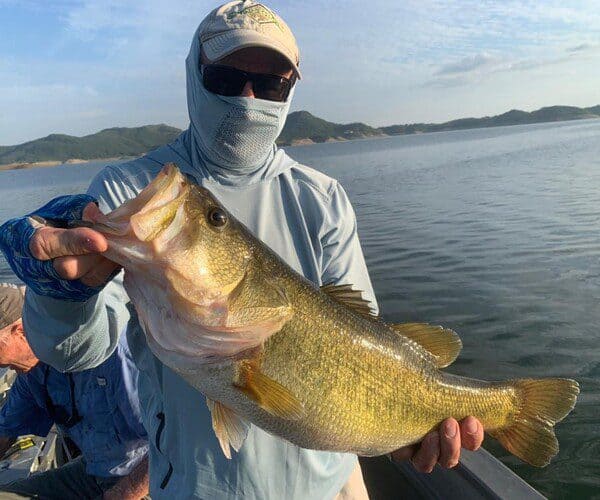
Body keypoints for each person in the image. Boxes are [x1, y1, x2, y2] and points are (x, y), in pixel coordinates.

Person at [0, 1, 484, 498]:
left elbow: (365, 340)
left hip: (330, 486)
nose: (248, 98)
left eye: (271, 84)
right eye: (227, 78)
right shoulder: (133, 189)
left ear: (290, 91)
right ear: (194, 75)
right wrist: (58, 291)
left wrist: (400, 430)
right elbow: (77, 350)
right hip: (194, 487)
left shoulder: (323, 198)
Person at [0, 283, 149, 500]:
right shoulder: (31, 374)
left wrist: (119, 495)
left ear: (21, 331)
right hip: (93, 472)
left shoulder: (118, 359)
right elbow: (6, 431)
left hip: (144, 481)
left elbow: (173, 446)